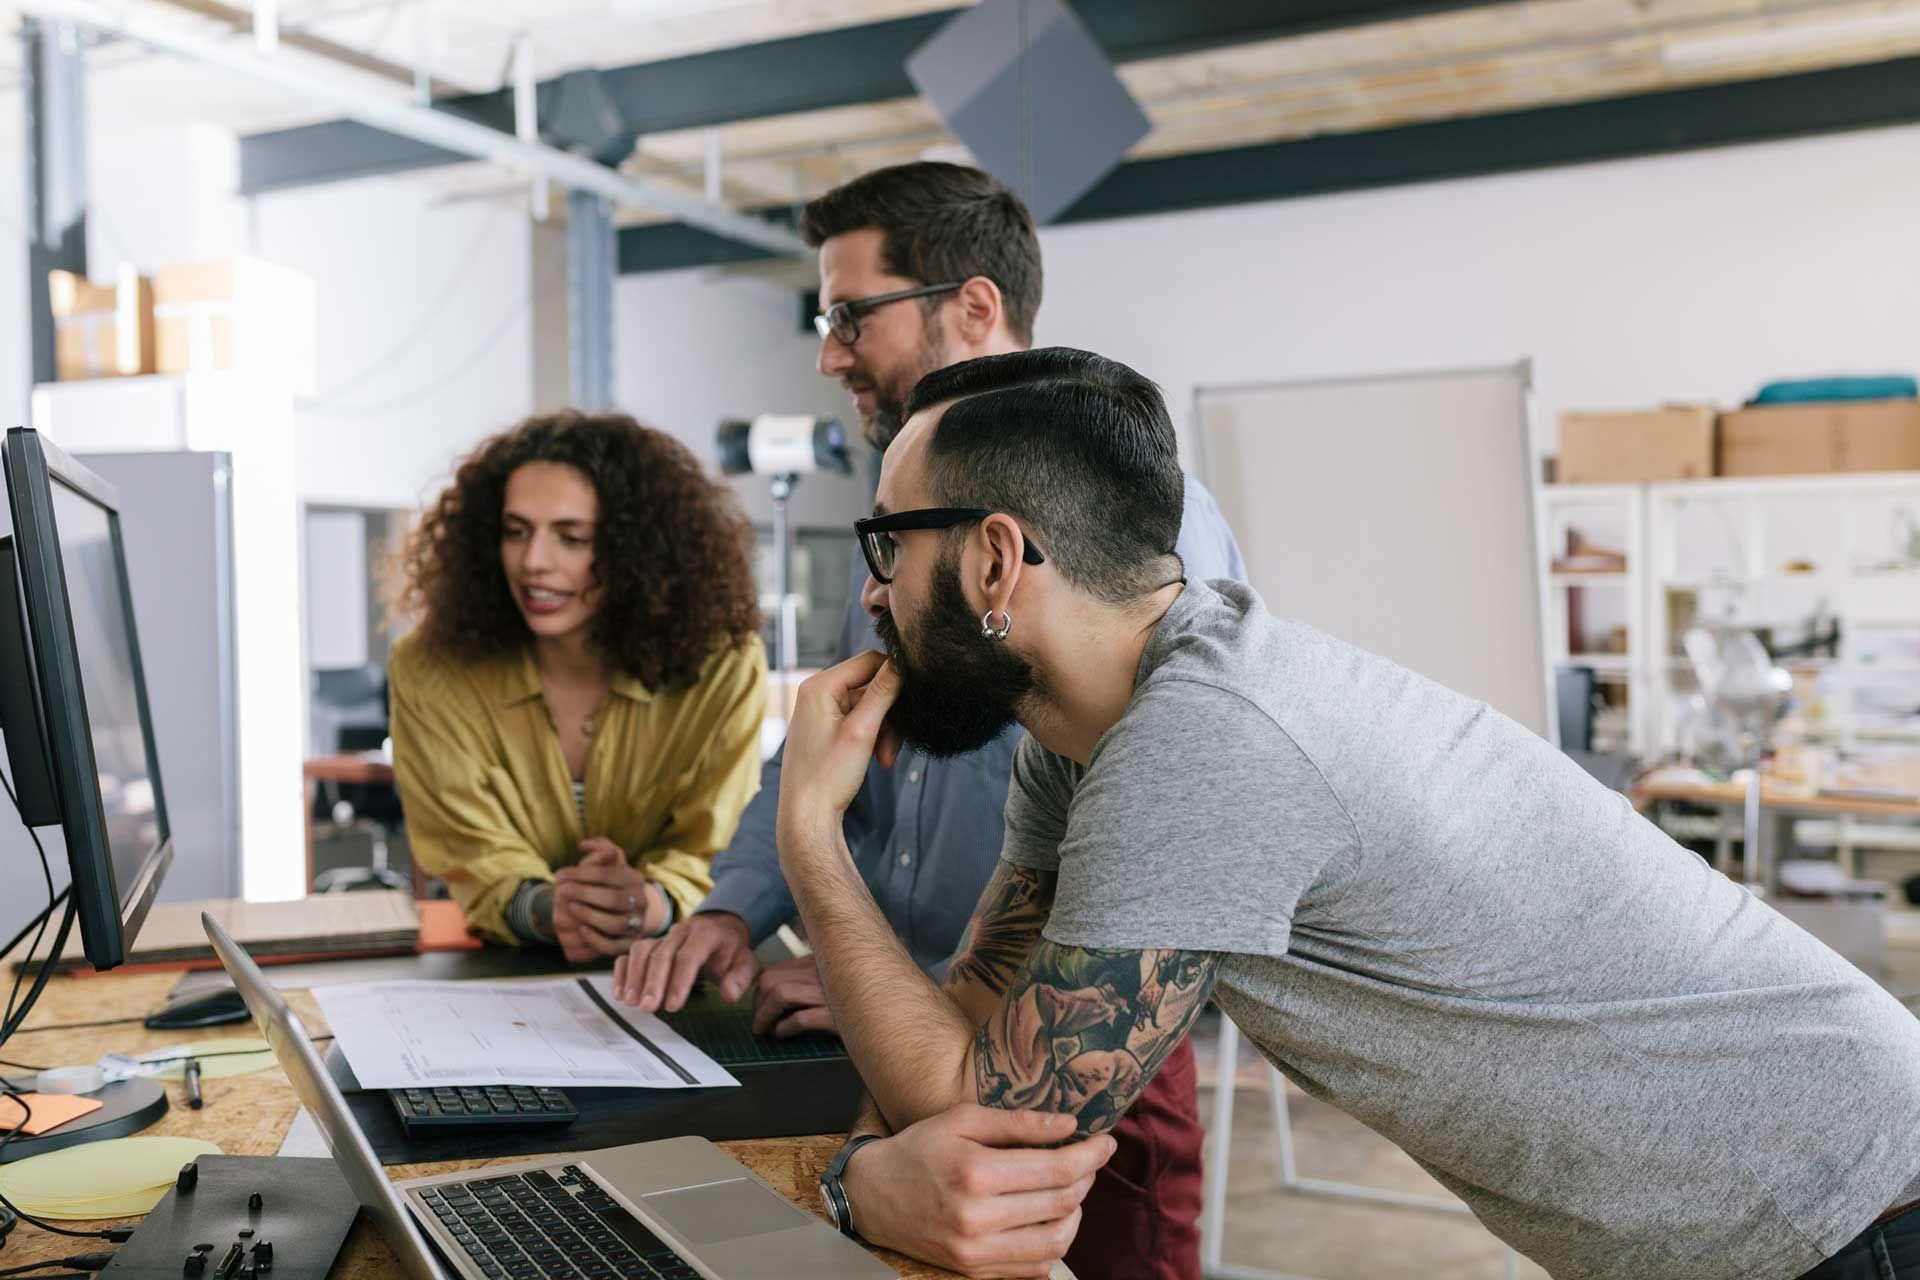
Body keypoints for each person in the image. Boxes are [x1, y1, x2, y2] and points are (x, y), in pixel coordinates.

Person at [739, 346, 1920, 1280]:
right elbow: (960, 1061)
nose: (871, 591)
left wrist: (812, 841)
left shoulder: (1202, 740)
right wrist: (874, 1167)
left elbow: (984, 1120)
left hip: (1844, 1205)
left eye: (888, 542)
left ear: (999, 562)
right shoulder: (1086, 736)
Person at [614, 162, 1240, 1279]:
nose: (828, 351)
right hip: (913, 1031)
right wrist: (740, 913)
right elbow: (838, 738)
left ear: (975, 305)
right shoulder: (910, 503)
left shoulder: (1135, 518)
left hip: (1076, 1054)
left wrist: (897, 982)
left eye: (850, 313)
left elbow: (1152, 849)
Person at [389, 410, 767, 959]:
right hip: (508, 973)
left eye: (572, 537)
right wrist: (550, 909)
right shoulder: (430, 668)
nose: (533, 563)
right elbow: (471, 853)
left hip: (682, 960)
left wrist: (648, 904)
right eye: (515, 532)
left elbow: (715, 846)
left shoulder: (724, 665)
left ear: (636, 550)